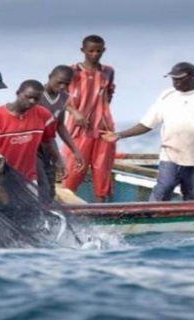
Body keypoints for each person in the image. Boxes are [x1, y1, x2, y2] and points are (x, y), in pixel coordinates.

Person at [102, 62, 194, 201]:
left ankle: (187, 221)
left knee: (193, 194)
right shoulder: (166, 96)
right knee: (164, 188)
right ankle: (151, 217)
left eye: (180, 78)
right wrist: (119, 135)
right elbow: (147, 124)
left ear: (193, 76)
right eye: (173, 78)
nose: (175, 82)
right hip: (170, 154)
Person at [62, 34, 116, 203]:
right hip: (78, 128)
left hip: (104, 128)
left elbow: (109, 94)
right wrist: (75, 112)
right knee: (75, 166)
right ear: (83, 50)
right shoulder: (71, 71)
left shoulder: (108, 71)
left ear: (103, 51)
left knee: (102, 169)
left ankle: (102, 208)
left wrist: (101, 113)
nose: (94, 54)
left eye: (98, 51)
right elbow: (57, 96)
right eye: (91, 51)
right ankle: (66, 205)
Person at [0, 80, 56, 182]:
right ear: (18, 93)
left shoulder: (44, 115)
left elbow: (49, 140)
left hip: (28, 178)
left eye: (36, 99)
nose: (32, 101)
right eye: (28, 97)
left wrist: (59, 159)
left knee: (34, 197)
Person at [37, 65, 84, 201]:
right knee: (42, 186)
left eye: (67, 83)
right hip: (33, 146)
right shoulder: (37, 94)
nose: (63, 86)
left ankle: (48, 219)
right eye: (59, 82)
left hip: (49, 146)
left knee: (50, 189)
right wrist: (58, 157)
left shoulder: (64, 98)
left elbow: (60, 125)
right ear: (50, 77)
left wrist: (75, 150)